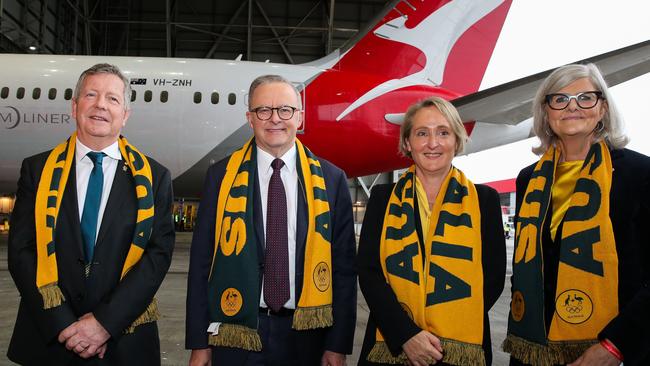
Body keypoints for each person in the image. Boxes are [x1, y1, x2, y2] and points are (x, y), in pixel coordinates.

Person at [7, 63, 175, 365]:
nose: (100, 104)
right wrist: (64, 325)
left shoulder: (155, 177)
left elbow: (157, 257)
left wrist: (103, 325)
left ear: (125, 115)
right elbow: (22, 251)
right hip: (49, 339)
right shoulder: (37, 170)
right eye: (91, 95)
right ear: (74, 107)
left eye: (113, 99)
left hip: (124, 342)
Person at [185, 74, 356, 366]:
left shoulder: (331, 179)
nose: (275, 118)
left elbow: (343, 270)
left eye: (285, 110)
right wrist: (199, 342)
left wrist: (337, 345)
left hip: (308, 335)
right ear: (250, 118)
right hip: (235, 332)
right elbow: (202, 264)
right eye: (263, 110)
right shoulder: (221, 178)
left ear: (299, 118)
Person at [503, 63, 650, 366]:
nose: (573, 107)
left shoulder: (639, 173)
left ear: (603, 109)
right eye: (560, 99)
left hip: (614, 349)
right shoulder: (529, 178)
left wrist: (615, 346)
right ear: (546, 112)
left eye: (586, 98)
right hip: (535, 348)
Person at [357, 96, 506, 366]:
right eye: (422, 133)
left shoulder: (485, 200)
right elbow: (369, 274)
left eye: (444, 133)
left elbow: (493, 278)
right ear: (407, 142)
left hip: (458, 348)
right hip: (393, 344)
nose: (433, 143)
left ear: (457, 141)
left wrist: (446, 323)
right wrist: (407, 334)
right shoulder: (383, 197)